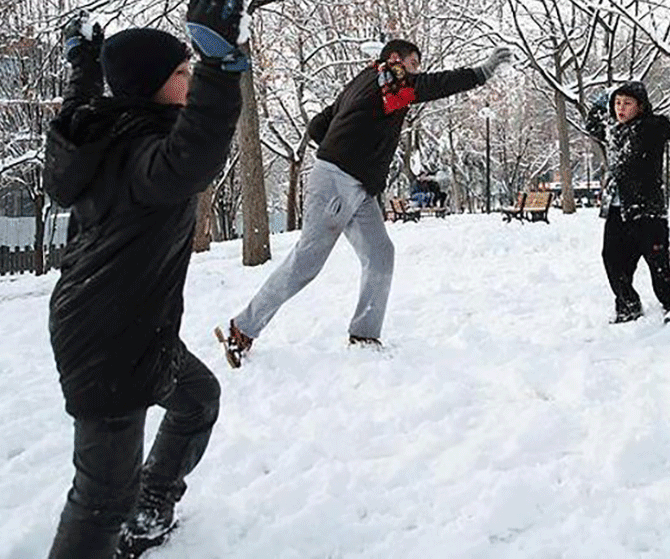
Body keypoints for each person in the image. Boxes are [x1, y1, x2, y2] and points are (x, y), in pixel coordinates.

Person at [45, 0, 248, 559]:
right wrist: (220, 66)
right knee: (101, 498)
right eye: (182, 73)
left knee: (197, 399)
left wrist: (84, 63)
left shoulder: (105, 130)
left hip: (130, 326)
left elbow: (80, 105)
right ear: (153, 87)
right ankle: (128, 517)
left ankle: (152, 503)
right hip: (108, 341)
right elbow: (195, 153)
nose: (189, 79)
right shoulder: (145, 156)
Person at [217, 41, 512, 365]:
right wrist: (482, 72)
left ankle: (364, 335)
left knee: (379, 254)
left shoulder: (365, 81)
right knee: (306, 262)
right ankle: (242, 328)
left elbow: (318, 125)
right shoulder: (390, 78)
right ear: (395, 59)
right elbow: (434, 84)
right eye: (414, 63)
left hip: (357, 185)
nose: (416, 72)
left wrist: (348, 143)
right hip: (337, 181)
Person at [584, 75, 670, 323]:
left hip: (648, 209)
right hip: (617, 209)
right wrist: (602, 99)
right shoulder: (613, 131)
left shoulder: (653, 126)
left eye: (627, 103)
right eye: (617, 103)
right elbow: (592, 125)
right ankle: (628, 305)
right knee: (612, 260)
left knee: (658, 261)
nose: (620, 108)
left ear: (640, 106)